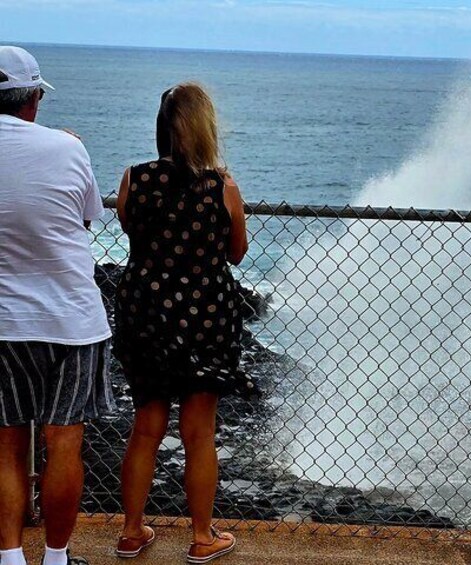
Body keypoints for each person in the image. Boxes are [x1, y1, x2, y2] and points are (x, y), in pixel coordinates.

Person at [114, 82, 255, 563]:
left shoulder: (134, 178)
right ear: (204, 128)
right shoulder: (222, 185)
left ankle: (131, 532)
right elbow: (236, 253)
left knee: (146, 425)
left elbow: (133, 230)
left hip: (146, 314)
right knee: (199, 431)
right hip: (206, 317)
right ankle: (201, 538)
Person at [0, 46, 114, 565]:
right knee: (63, 441)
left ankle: (8, 557)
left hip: (4, 322)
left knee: (6, 445)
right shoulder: (69, 149)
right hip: (70, 318)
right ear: (35, 100)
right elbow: (85, 219)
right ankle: (55, 557)